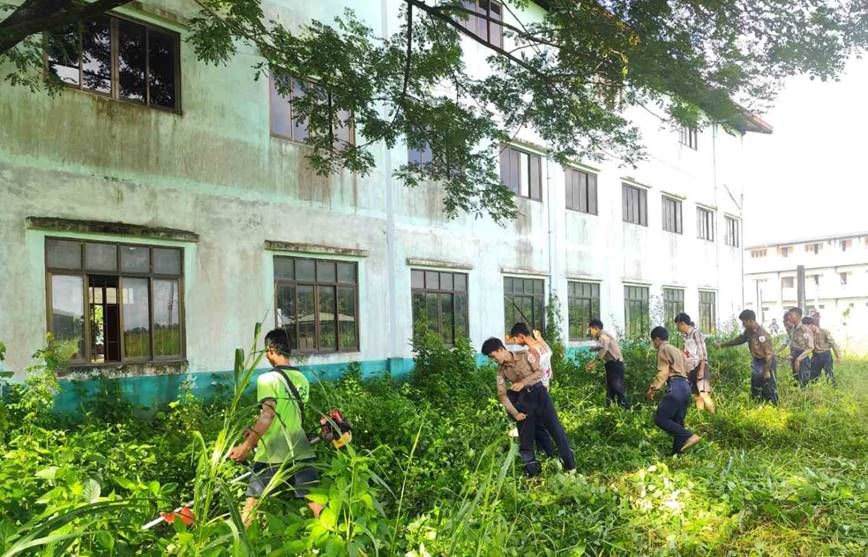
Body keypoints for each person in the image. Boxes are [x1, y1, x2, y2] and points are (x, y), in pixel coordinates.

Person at [229, 328, 323, 527]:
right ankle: (333, 532)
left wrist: (245, 447)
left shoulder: (267, 379)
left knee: (251, 504)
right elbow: (288, 414)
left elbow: (268, 414)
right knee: (314, 500)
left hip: (272, 451)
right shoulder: (303, 380)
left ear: (270, 350)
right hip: (299, 447)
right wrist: (253, 429)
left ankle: (241, 542)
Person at [482, 337, 576, 477]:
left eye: (493, 356)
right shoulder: (501, 371)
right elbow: (502, 395)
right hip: (524, 400)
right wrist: (515, 413)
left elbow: (540, 372)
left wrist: (523, 383)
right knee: (526, 439)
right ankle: (533, 473)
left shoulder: (525, 355)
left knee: (556, 430)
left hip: (540, 395)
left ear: (500, 349)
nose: (493, 360)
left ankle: (570, 467)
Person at [646, 327, 701, 455]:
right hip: (685, 387)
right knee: (678, 421)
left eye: (653, 341)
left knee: (660, 418)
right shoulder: (677, 350)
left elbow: (663, 372)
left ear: (657, 339)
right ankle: (677, 454)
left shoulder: (663, 348)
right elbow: (689, 367)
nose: (653, 344)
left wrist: (652, 389)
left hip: (676, 386)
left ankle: (689, 436)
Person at [509, 323, 556, 457]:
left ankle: (545, 452)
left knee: (535, 422)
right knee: (538, 421)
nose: (515, 342)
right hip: (544, 387)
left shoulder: (531, 351)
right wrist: (539, 338)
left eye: (515, 339)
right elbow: (548, 353)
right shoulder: (542, 346)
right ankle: (546, 451)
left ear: (521, 336)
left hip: (536, 389)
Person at [719, 309, 778, 404]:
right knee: (756, 384)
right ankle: (758, 405)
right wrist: (722, 345)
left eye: (744, 322)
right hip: (757, 361)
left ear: (750, 321)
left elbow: (769, 354)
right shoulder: (749, 331)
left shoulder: (762, 334)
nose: (743, 325)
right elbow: (740, 340)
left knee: (769, 385)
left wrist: (766, 370)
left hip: (767, 361)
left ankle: (773, 406)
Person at [674, 313, 715, 413]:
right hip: (691, 368)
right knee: (697, 394)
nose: (677, 328)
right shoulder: (686, 336)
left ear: (683, 323)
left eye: (678, 325)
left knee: (704, 393)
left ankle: (714, 416)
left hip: (700, 366)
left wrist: (701, 370)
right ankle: (700, 417)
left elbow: (703, 353)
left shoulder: (696, 333)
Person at [585, 319, 629, 408]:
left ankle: (626, 407)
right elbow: (603, 347)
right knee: (610, 388)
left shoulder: (603, 336)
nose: (589, 333)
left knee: (617, 388)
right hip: (611, 364)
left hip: (615, 364)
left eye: (590, 330)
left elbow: (604, 349)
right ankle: (609, 408)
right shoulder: (603, 336)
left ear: (596, 328)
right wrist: (594, 349)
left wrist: (594, 363)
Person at [803, 317, 839, 385]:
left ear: (812, 325)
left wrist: (838, 357)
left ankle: (833, 388)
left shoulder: (824, 331)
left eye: (806, 327)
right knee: (813, 375)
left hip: (826, 355)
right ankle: (813, 389)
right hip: (815, 356)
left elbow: (833, 344)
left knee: (829, 374)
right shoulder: (807, 335)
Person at [785, 307, 814, 387]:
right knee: (796, 379)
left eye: (791, 315)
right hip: (794, 356)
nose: (789, 317)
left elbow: (810, 347)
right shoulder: (793, 329)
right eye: (789, 315)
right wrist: (790, 355)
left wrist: (798, 359)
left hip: (803, 358)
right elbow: (793, 344)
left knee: (803, 381)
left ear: (798, 316)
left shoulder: (805, 330)